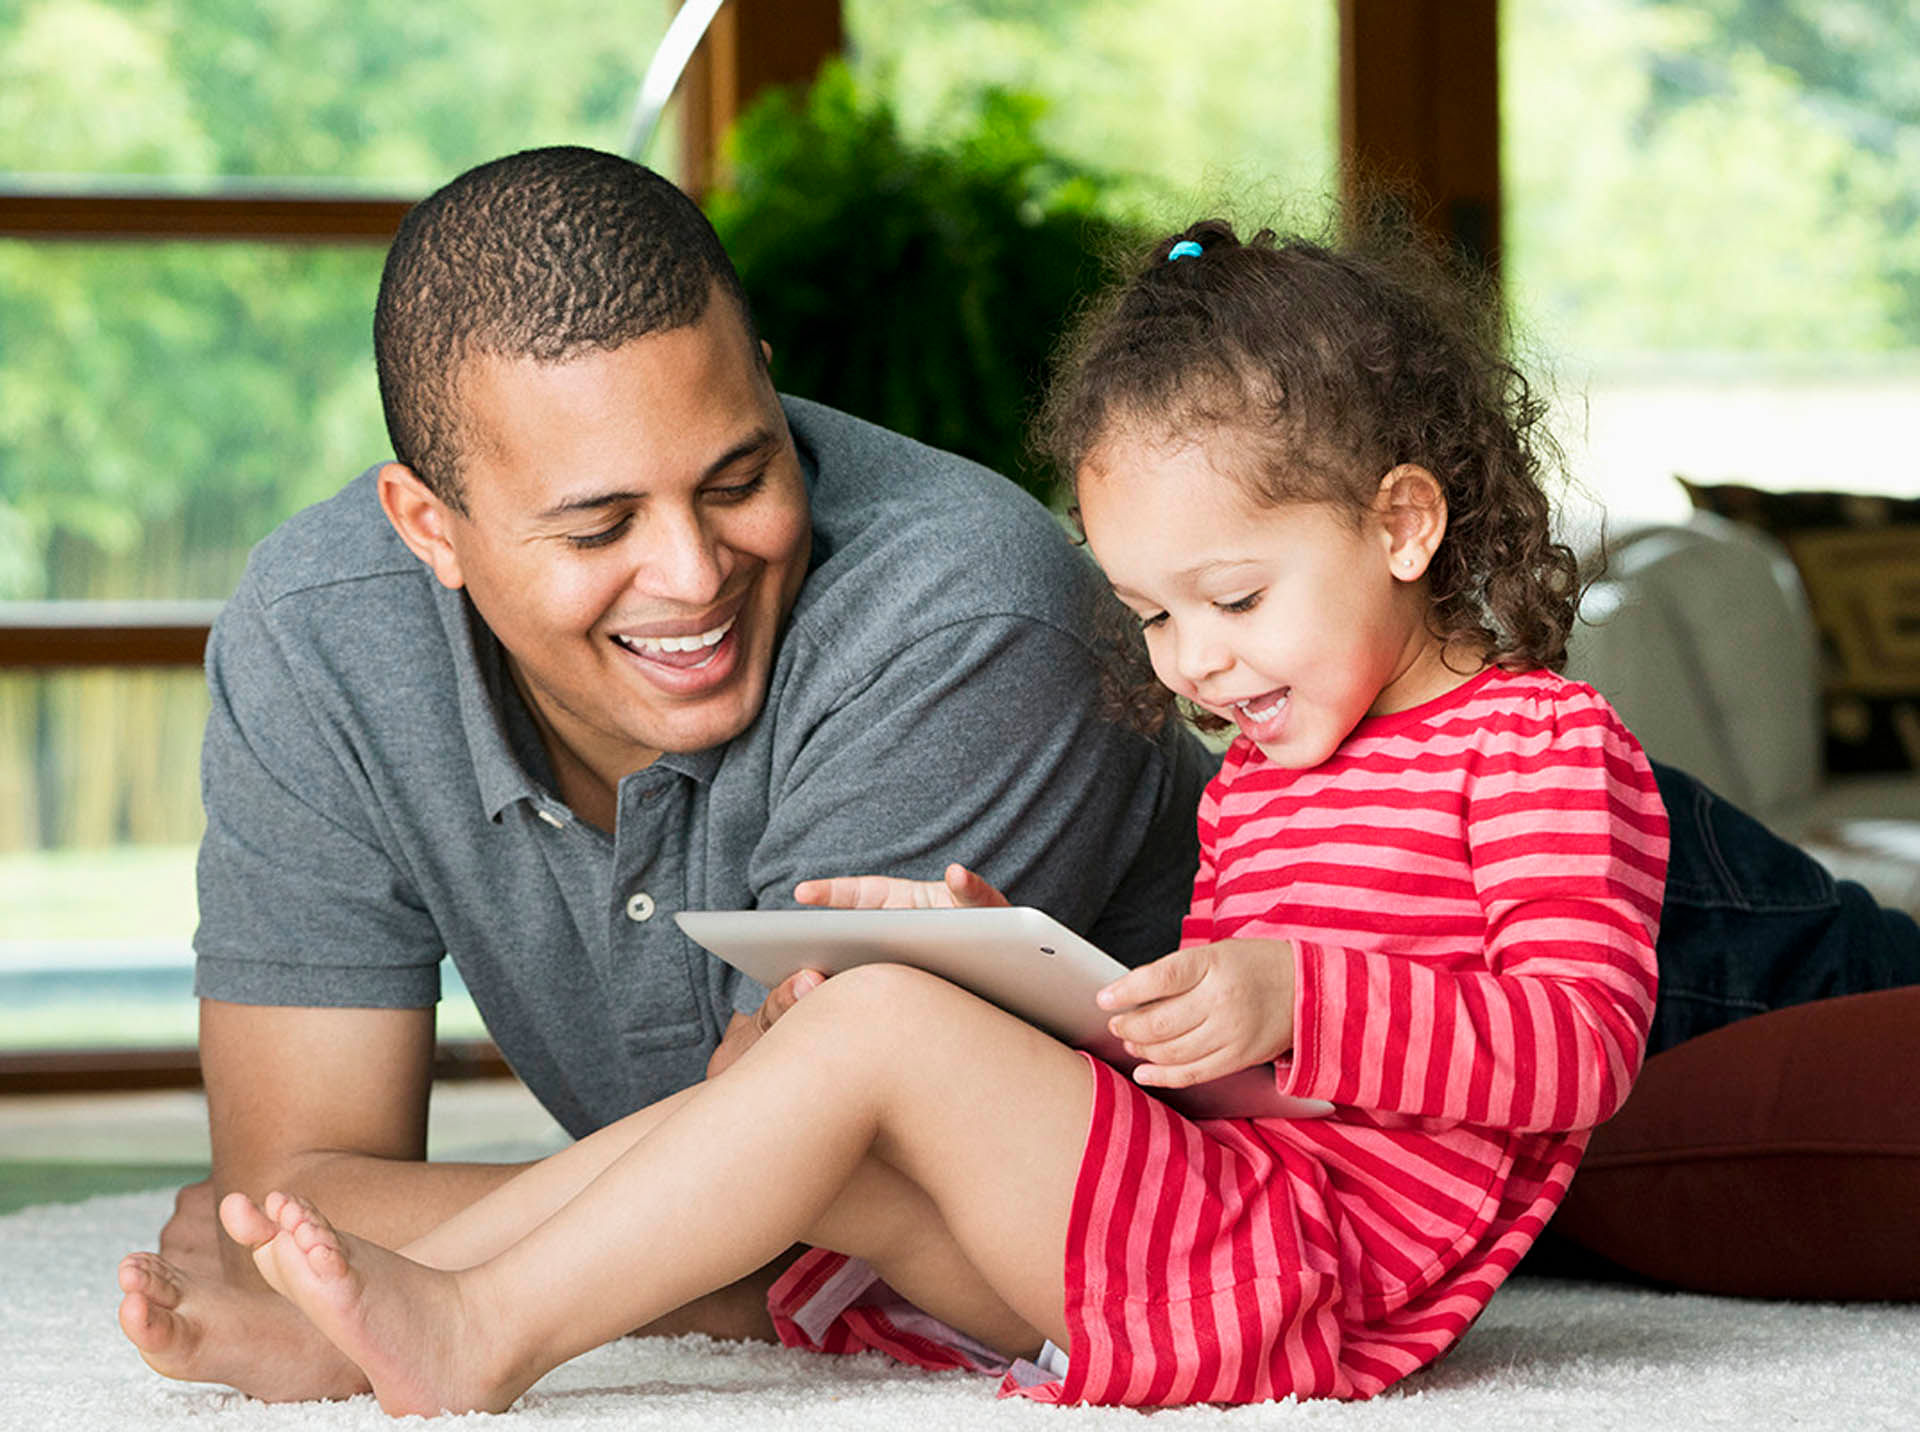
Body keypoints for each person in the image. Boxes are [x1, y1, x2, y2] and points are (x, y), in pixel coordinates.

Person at [115, 146, 1920, 1405]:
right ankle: (379, 1320)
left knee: (863, 1042)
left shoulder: (1527, 744)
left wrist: (1284, 997)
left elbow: (1573, 1044)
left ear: (1401, 524)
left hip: (1432, 1185)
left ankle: (482, 1331)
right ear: (429, 528)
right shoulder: (1273, 754)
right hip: (1239, 1213)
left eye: (1227, 599)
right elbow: (1192, 1057)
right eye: (1155, 613)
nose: (1190, 663)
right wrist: (1021, 964)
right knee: (870, 1040)